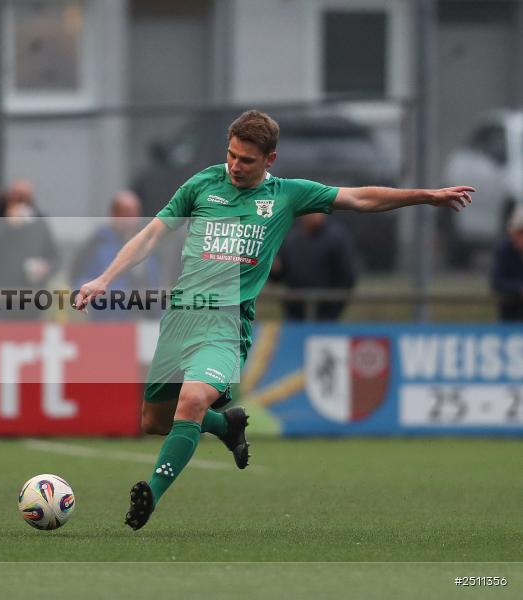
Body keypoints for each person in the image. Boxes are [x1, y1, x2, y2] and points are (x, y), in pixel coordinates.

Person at [74, 110, 474, 530]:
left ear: (270, 159)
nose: (235, 166)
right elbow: (152, 234)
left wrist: (425, 196)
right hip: (180, 321)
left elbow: (361, 198)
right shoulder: (201, 184)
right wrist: (104, 278)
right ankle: (226, 426)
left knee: (191, 401)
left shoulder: (287, 195)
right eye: (231, 155)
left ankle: (151, 495)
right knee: (155, 421)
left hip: (225, 326)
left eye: (246, 160)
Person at [0, 179, 58, 320]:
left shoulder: (39, 224)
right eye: (17, 195)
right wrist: (7, 224)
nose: (21, 201)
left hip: (30, 301)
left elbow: (54, 257)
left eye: (26, 196)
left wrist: (45, 268)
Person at [71, 191, 161, 320]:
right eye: (125, 214)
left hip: (141, 319)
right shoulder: (97, 243)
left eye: (134, 214)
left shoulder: (148, 244)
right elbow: (79, 279)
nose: (130, 220)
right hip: (106, 318)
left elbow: (156, 282)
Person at [269, 212, 357, 320]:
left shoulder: (337, 237)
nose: (313, 214)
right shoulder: (291, 238)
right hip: (294, 313)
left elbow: (347, 276)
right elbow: (278, 276)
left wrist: (335, 306)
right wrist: (272, 268)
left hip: (326, 314)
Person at [490, 205, 523, 321]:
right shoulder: (504, 249)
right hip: (510, 314)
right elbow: (497, 282)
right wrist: (519, 288)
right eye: (519, 233)